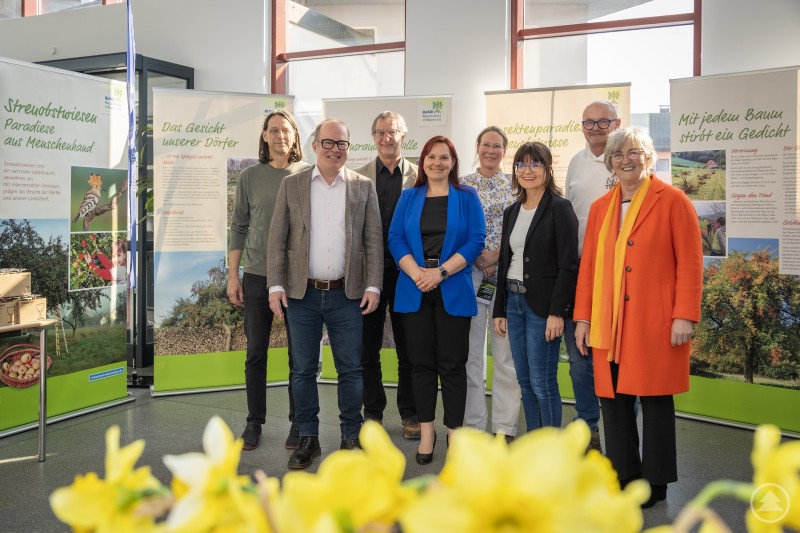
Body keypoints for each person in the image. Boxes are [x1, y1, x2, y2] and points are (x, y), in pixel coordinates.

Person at [573, 126, 703, 508]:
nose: (626, 160)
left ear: (649, 158)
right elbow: (589, 268)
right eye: (618, 154)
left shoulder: (674, 201)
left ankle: (657, 482)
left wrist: (684, 316)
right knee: (613, 401)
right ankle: (624, 474)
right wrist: (583, 319)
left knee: (656, 400)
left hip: (654, 320)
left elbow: (691, 263)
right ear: (610, 162)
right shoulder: (601, 207)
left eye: (634, 153)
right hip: (608, 322)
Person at [267, 118, 383, 470]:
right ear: (315, 145)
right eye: (328, 142)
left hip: (347, 294)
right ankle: (308, 438)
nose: (335, 149)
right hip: (301, 294)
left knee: (351, 370)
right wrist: (275, 286)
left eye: (342, 143)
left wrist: (373, 285)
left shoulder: (363, 186)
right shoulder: (292, 185)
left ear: (349, 148)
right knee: (303, 370)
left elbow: (373, 241)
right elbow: (277, 239)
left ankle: (351, 436)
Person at [388, 136, 485, 464]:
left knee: (453, 365)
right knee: (421, 365)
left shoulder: (467, 196)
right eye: (431, 157)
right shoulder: (409, 196)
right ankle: (427, 433)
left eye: (444, 157)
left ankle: (454, 433)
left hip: (452, 286)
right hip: (414, 288)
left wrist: (440, 273)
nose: (437, 163)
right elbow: (395, 239)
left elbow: (475, 240)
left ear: (453, 162)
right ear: (423, 162)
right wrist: (418, 273)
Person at [227, 110, 310, 451]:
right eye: (273, 130)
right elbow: (239, 227)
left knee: (299, 356)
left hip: (298, 277)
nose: (279, 136)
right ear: (264, 136)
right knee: (255, 353)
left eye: (285, 130)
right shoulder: (249, 177)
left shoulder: (308, 174)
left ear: (295, 136)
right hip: (257, 274)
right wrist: (233, 275)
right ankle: (254, 422)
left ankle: (298, 421)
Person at [492, 142, 578, 433]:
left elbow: (568, 265)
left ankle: (551, 449)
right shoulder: (512, 211)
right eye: (521, 164)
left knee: (543, 382)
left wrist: (557, 312)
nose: (527, 171)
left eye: (535, 164)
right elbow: (505, 261)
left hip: (543, 308)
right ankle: (534, 444)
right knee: (525, 381)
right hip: (513, 302)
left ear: (547, 168)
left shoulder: (560, 208)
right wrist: (499, 309)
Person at [355, 111, 421, 440]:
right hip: (370, 274)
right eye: (380, 132)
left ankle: (410, 413)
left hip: (408, 274)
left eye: (392, 131)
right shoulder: (358, 177)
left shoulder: (421, 177)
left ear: (403, 136)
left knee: (409, 349)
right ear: (374, 137)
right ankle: (373, 412)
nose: (386, 138)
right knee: (367, 349)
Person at [563, 100, 621, 451]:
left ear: (617, 124)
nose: (596, 128)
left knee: (617, 354)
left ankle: (621, 426)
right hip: (579, 270)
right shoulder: (575, 163)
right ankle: (588, 424)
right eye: (589, 122)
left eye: (603, 122)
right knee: (580, 357)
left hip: (617, 272)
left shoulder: (625, 162)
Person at [459, 126, 521, 441]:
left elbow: (524, 229)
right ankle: (473, 424)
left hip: (506, 277)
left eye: (497, 146)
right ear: (477, 147)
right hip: (469, 276)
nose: (491, 151)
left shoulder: (517, 185)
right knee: (471, 356)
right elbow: (456, 228)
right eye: (486, 145)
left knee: (506, 356)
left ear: (504, 150)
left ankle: (504, 427)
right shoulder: (461, 185)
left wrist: (496, 254)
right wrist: (477, 256)